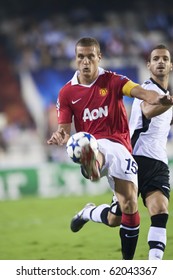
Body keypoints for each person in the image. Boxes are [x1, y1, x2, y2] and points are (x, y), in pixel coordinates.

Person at [47, 37, 173, 260]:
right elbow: (64, 130)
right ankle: (92, 162)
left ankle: (89, 209)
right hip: (97, 143)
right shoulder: (67, 93)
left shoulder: (113, 80)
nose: (85, 62)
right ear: (76, 60)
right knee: (92, 145)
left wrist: (160, 99)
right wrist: (60, 135)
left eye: (90, 56)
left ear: (99, 57)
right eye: (81, 57)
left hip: (122, 147)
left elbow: (141, 93)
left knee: (124, 211)